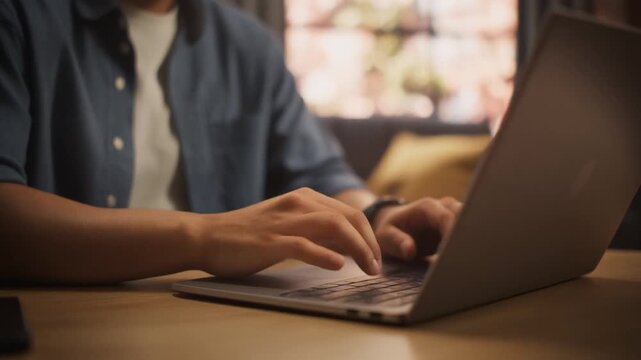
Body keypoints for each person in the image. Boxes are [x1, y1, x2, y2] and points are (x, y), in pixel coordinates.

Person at [0, 0, 461, 284]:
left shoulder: (248, 45)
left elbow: (319, 174)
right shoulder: (19, 17)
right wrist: (205, 237)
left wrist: (378, 216)